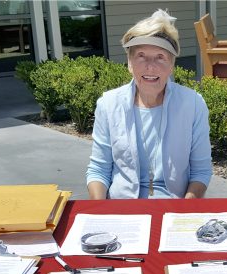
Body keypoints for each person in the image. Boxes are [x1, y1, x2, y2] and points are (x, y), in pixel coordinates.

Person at [86, 9, 212, 200]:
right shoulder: (108, 105)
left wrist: (185, 210)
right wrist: (101, 212)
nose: (150, 66)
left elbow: (201, 171)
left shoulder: (193, 104)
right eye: (141, 56)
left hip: (174, 207)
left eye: (160, 57)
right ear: (129, 62)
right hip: (122, 207)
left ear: (171, 65)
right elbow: (99, 170)